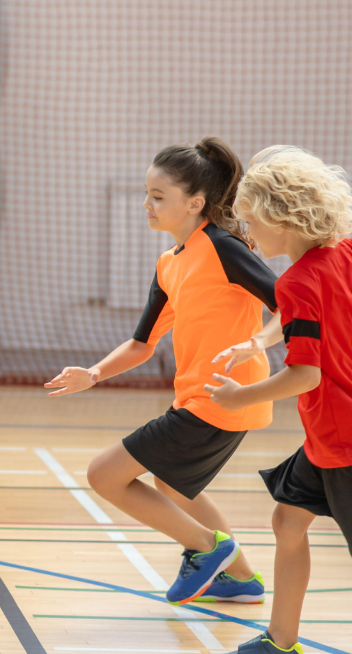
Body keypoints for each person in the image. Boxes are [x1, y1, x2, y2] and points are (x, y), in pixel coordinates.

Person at [45, 137, 278, 605]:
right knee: (173, 485)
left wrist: (257, 342)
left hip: (226, 395)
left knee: (104, 475)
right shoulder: (170, 262)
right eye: (146, 194)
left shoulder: (223, 247)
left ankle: (207, 548)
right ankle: (240, 578)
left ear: (195, 203)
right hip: (200, 397)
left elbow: (290, 304)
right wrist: (91, 374)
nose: (146, 205)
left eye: (157, 197)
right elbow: (141, 344)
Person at [206, 147, 352, 654]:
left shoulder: (299, 281)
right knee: (288, 520)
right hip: (338, 432)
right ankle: (281, 646)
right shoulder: (351, 254)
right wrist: (258, 341)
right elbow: (305, 314)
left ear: (280, 216)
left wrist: (241, 396)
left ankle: (281, 644)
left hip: (345, 438)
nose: (246, 232)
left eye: (249, 220)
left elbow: (306, 374)